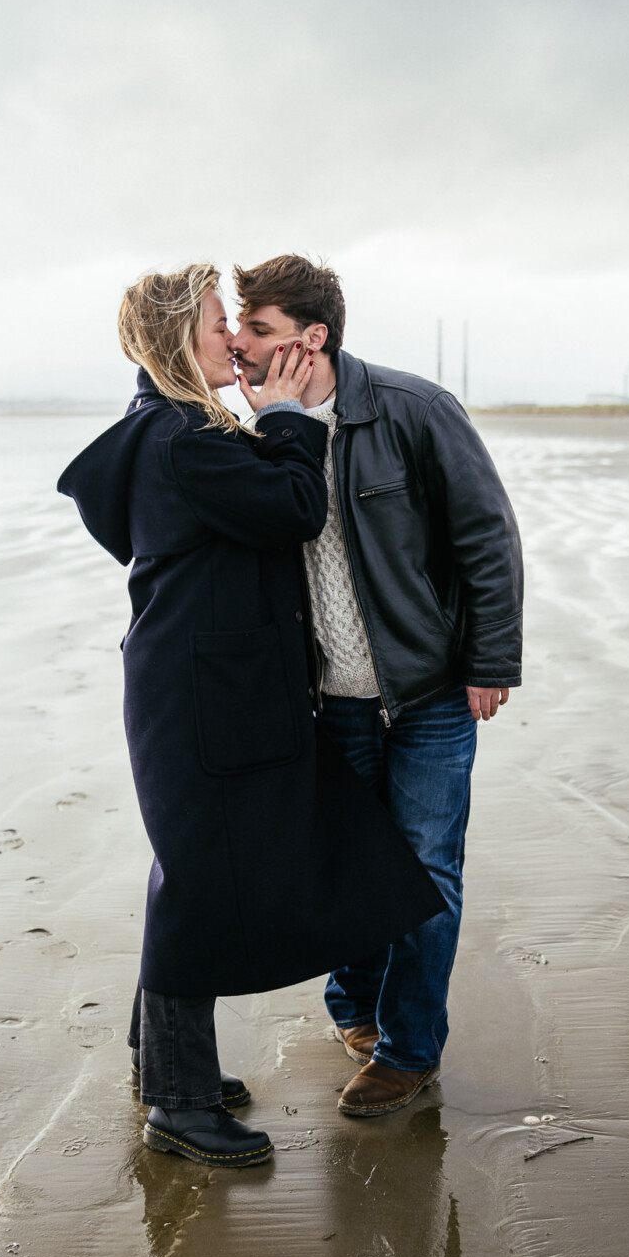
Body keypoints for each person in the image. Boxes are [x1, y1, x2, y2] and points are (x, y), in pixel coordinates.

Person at [56, 265, 443, 1167]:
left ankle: (164, 1061)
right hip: (206, 698)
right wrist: (293, 420)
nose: (234, 338)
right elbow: (295, 509)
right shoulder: (184, 436)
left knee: (195, 871)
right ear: (174, 341)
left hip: (205, 689)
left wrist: (265, 425)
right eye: (218, 323)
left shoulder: (173, 429)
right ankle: (181, 1103)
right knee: (197, 885)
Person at [228, 256, 523, 1117]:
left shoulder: (414, 410)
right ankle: (354, 1008)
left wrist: (492, 661)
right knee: (348, 867)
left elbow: (486, 537)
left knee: (425, 869)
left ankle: (407, 1052)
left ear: (311, 338)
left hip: (429, 691)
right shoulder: (253, 430)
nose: (240, 346)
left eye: (260, 331)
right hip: (329, 698)